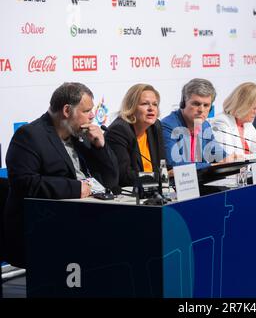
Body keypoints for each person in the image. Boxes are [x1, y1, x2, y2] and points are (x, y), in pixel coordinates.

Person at [4, 82, 119, 267]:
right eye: (87, 110)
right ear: (67, 110)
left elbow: (112, 180)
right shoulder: (29, 136)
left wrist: (100, 146)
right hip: (45, 228)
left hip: (86, 218)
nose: (92, 116)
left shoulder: (82, 135)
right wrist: (76, 189)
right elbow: (24, 183)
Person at [161, 78, 231, 169]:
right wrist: (211, 165)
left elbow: (219, 155)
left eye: (206, 105)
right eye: (196, 104)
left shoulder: (205, 125)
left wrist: (232, 159)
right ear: (183, 103)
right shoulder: (168, 126)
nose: (201, 110)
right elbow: (175, 165)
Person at [105, 84, 166, 187]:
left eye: (155, 104)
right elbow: (124, 176)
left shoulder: (155, 126)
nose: (151, 108)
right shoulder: (119, 131)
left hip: (153, 190)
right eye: (145, 104)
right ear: (131, 107)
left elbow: (162, 164)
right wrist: (159, 178)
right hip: (129, 195)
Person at [209, 82, 256, 162]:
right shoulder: (221, 122)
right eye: (255, 108)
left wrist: (244, 157)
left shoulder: (247, 124)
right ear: (243, 104)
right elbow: (229, 160)